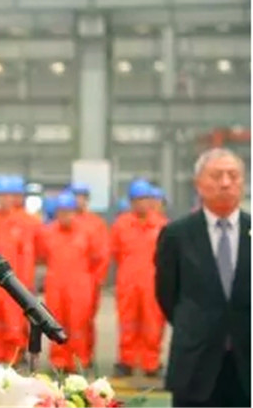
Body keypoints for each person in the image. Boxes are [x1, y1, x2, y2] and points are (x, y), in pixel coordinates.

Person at [156, 148, 250, 407]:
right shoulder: (177, 235)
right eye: (217, 176)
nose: (226, 183)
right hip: (195, 362)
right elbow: (167, 294)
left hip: (247, 362)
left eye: (233, 175)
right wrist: (198, 322)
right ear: (198, 183)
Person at [36, 191, 101, 372]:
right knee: (56, 322)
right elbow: (41, 255)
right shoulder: (48, 232)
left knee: (78, 323)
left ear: (75, 212)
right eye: (61, 212)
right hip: (55, 284)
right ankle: (59, 361)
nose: (65, 216)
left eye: (69, 211)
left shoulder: (87, 232)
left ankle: (79, 360)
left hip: (80, 284)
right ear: (56, 213)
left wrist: (91, 280)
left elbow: (97, 257)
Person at [110, 178, 167, 377]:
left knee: (153, 323)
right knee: (128, 322)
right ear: (131, 202)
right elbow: (115, 252)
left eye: (145, 199)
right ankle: (127, 361)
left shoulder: (162, 225)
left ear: (151, 200)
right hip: (128, 283)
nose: (141, 203)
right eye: (137, 200)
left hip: (153, 283)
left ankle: (151, 363)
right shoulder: (121, 225)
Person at [0, 174, 35, 364]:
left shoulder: (24, 222)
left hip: (14, 282)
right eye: (1, 195)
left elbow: (28, 255)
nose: (5, 199)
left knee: (14, 323)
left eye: (9, 195)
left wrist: (24, 284)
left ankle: (14, 358)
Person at [69, 182, 109, 368]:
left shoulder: (95, 223)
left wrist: (97, 279)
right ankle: (67, 358)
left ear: (87, 199)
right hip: (67, 282)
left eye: (81, 197)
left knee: (85, 320)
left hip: (88, 281)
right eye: (75, 196)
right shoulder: (63, 221)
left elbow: (103, 254)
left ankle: (86, 355)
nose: (78, 200)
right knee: (66, 320)